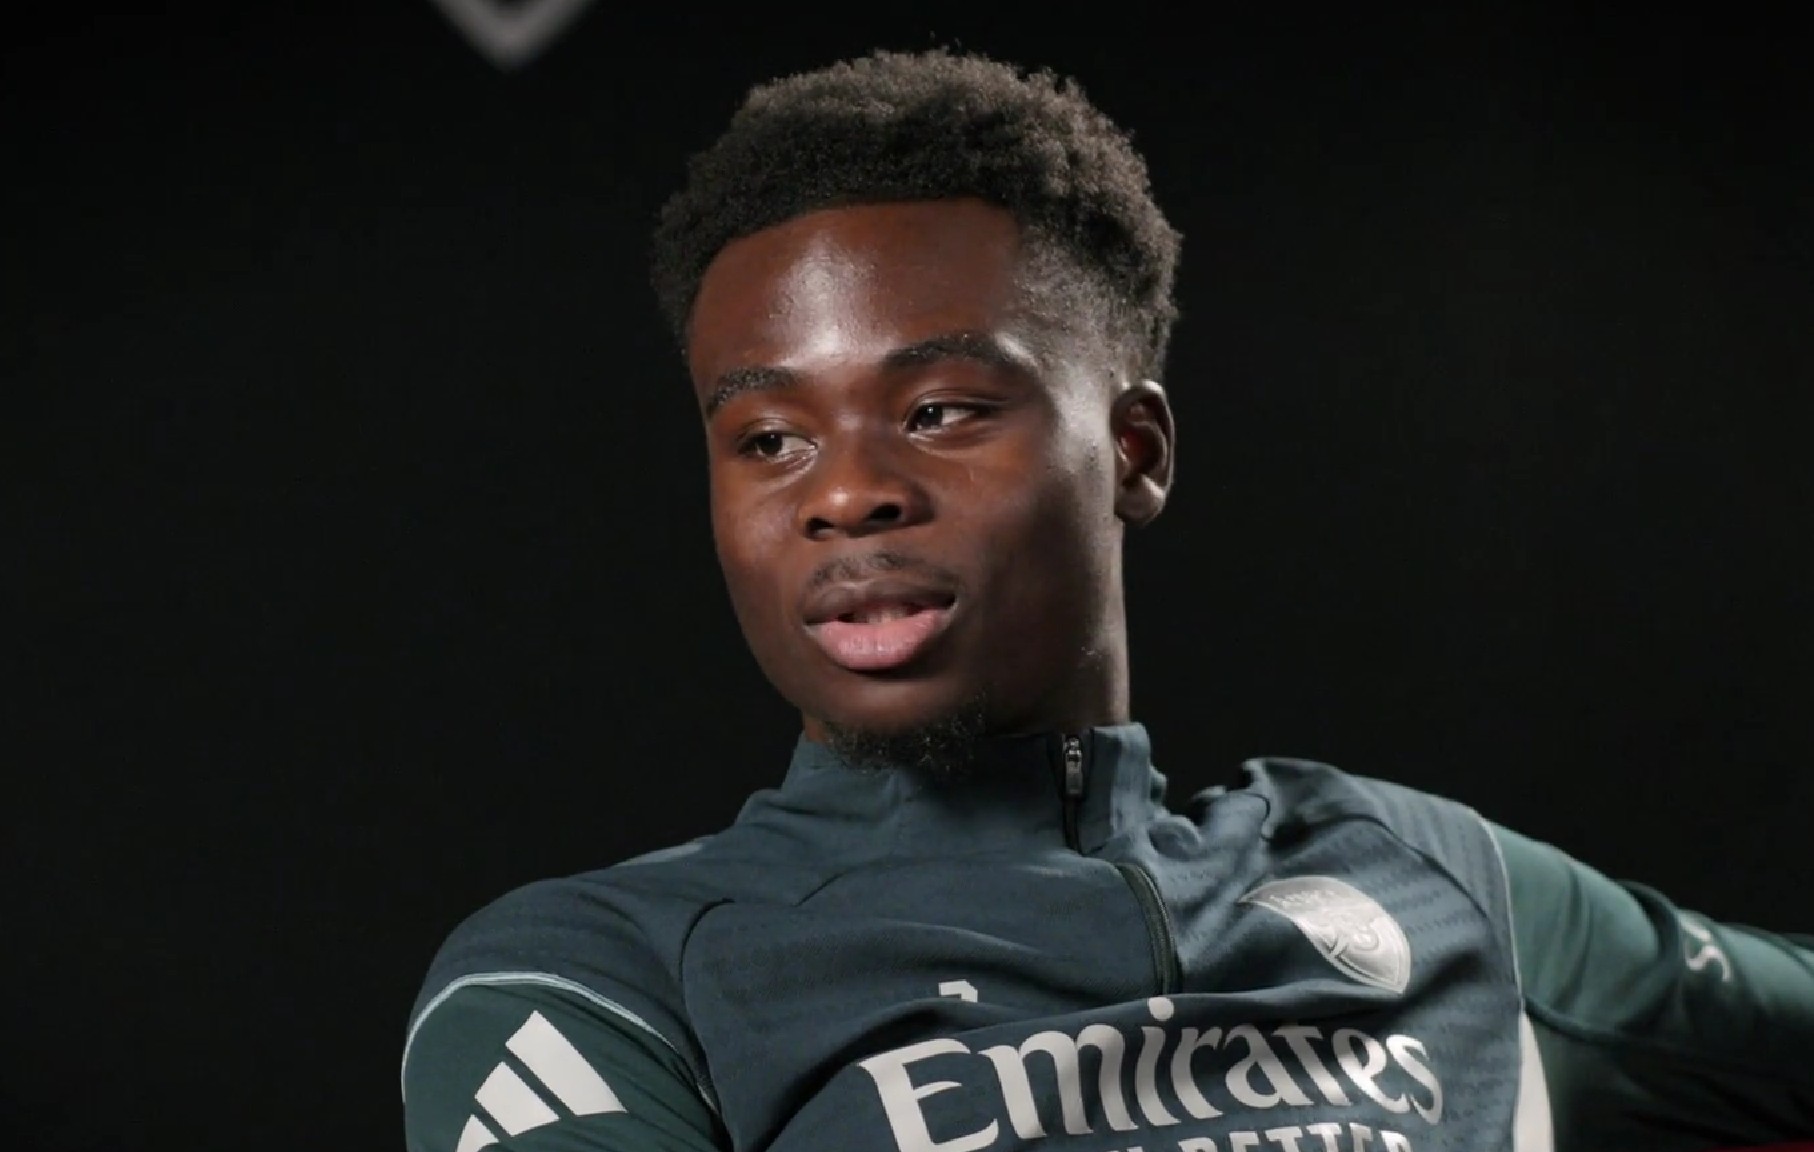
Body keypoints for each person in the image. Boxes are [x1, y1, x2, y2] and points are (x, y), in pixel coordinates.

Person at [400, 50, 1814, 1152]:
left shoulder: (1431, 881)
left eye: (941, 410)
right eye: (769, 439)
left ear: (1132, 452)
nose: (847, 494)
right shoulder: (590, 982)